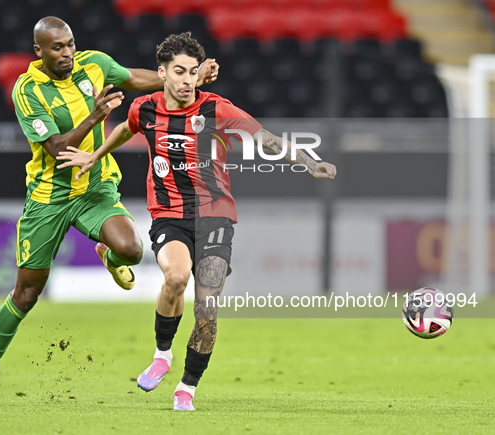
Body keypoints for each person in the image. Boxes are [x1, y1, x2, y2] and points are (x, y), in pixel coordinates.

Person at [56, 32, 337, 411]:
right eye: (179, 72)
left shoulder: (216, 109)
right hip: (170, 214)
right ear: (163, 73)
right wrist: (95, 155)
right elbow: (126, 128)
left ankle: (187, 387)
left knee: (206, 305)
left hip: (216, 214)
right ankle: (162, 354)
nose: (187, 79)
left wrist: (308, 162)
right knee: (176, 278)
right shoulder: (146, 108)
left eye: (192, 72)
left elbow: (265, 138)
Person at [0, 17, 219, 407]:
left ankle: (108, 252)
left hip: (94, 188)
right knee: (26, 294)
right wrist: (95, 117)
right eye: (57, 47)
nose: (67, 52)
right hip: (49, 198)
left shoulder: (94, 63)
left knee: (133, 250)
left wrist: (189, 78)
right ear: (40, 51)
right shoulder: (28, 89)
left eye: (70, 44)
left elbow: (136, 79)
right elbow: (57, 149)